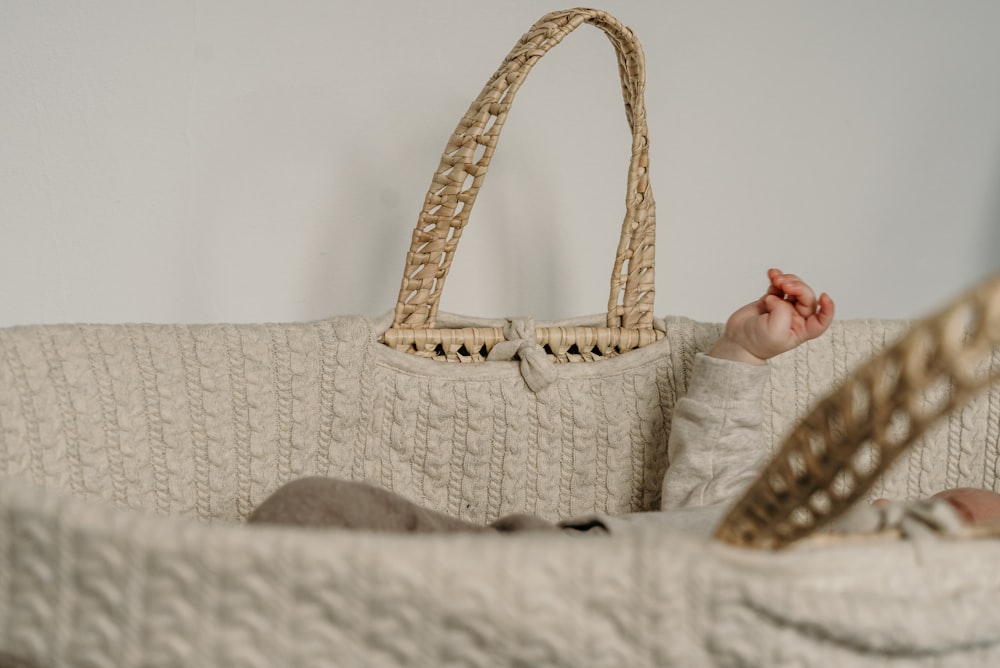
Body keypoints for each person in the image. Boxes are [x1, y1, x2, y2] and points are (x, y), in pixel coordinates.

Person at [248, 269, 1000, 536]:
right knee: (310, 509)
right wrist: (743, 350)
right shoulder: (804, 528)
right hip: (557, 560)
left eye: (942, 525)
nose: (904, 510)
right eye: (922, 504)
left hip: (626, 627)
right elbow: (715, 478)